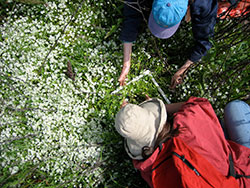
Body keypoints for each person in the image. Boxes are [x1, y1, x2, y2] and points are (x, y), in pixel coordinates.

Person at [115, 96, 250, 187]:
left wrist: (132, 124)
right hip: (242, 175)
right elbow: (198, 102)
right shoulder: (189, 121)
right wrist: (163, 109)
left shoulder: (149, 167)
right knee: (235, 107)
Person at [118, 0, 218, 88]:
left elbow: (204, 41)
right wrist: (126, 64)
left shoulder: (204, 5)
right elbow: (131, 15)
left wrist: (182, 70)